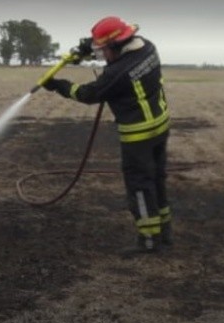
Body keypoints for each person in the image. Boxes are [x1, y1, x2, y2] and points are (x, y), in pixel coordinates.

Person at [42, 16, 172, 256]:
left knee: (140, 186)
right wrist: (86, 49)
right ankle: (165, 232)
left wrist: (58, 85)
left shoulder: (117, 74)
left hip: (138, 135)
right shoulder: (147, 47)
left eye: (104, 50)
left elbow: (87, 94)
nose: (102, 56)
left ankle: (149, 240)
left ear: (116, 45)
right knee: (156, 179)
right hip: (160, 127)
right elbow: (117, 59)